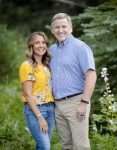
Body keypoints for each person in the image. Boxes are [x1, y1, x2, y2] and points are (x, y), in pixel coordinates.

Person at [50, 13, 97, 150]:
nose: (60, 30)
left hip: (76, 103)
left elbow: (91, 75)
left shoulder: (80, 47)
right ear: (52, 30)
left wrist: (84, 103)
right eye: (57, 27)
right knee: (66, 146)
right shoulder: (51, 50)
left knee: (80, 146)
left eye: (64, 26)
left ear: (71, 28)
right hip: (58, 105)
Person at [19, 31, 55, 150]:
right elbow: (27, 95)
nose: (41, 45)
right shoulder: (27, 66)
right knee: (45, 147)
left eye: (43, 42)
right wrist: (40, 117)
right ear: (31, 46)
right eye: (37, 43)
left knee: (43, 145)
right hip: (35, 110)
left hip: (50, 109)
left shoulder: (47, 65)